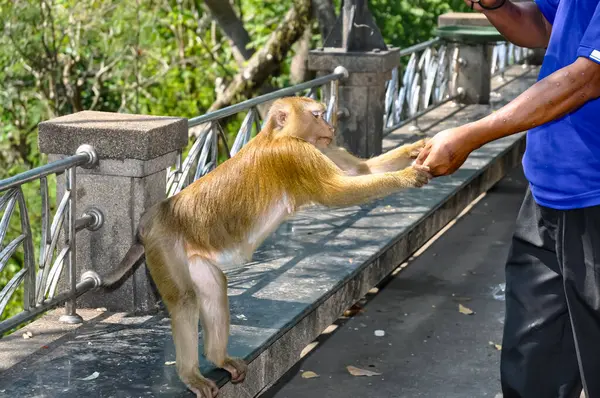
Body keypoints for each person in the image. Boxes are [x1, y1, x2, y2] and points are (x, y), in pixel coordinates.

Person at [415, 0, 600, 397]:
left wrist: (473, 134)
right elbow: (541, 25)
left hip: (595, 197)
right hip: (547, 193)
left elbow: (589, 78)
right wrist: (496, 5)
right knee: (530, 374)